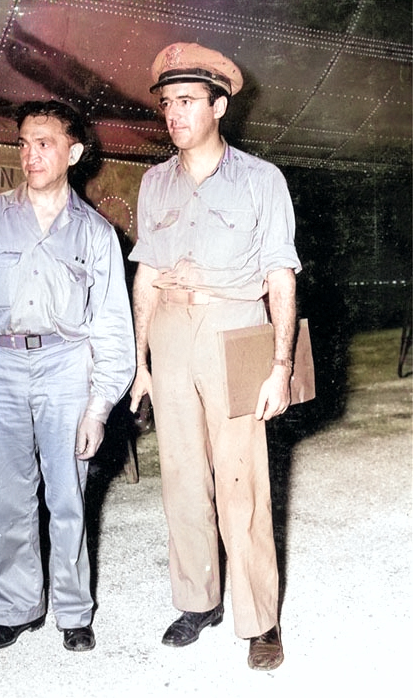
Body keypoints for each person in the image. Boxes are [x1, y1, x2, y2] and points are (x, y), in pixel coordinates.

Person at [0, 100, 135, 652]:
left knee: (68, 493)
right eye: (23, 143)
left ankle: (73, 612)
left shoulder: (95, 233)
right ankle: (15, 608)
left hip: (66, 366)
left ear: (73, 152)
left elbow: (113, 327)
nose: (30, 154)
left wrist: (99, 407)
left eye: (43, 143)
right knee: (5, 497)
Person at [129, 43, 301, 671]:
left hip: (235, 330)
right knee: (181, 479)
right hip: (171, 334)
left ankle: (260, 618)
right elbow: (146, 274)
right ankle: (197, 601)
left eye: (187, 102)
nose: (173, 114)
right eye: (167, 104)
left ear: (219, 106)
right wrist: (141, 362)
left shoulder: (262, 180)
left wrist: (279, 366)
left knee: (243, 486)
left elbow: (281, 277)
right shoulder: (153, 182)